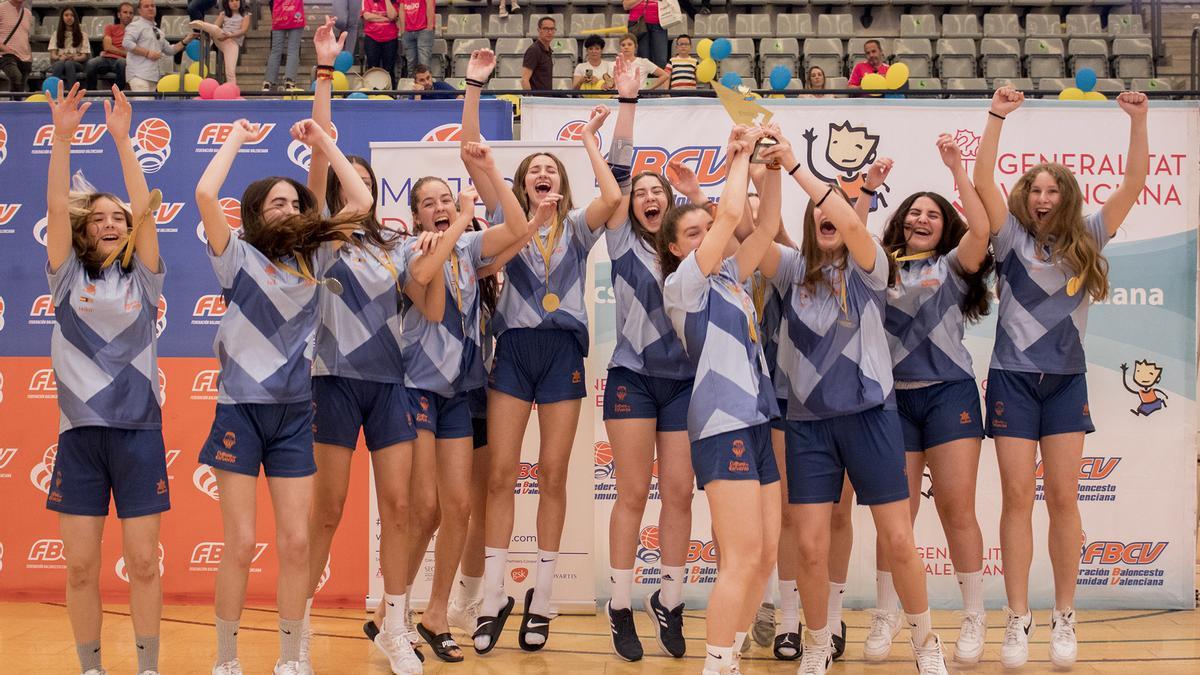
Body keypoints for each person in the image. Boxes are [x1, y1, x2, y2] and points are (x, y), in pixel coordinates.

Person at [758, 131, 950, 674]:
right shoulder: (791, 270)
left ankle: (925, 642)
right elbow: (747, 234)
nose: (834, 218)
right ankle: (817, 644)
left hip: (871, 419)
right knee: (811, 547)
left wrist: (797, 166)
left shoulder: (872, 269)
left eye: (841, 209)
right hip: (807, 427)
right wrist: (765, 169)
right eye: (824, 209)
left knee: (899, 540)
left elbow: (850, 222)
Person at [194, 95, 374, 673]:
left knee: (297, 545)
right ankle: (227, 660)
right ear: (255, 213)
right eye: (277, 201)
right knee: (241, 545)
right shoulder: (236, 257)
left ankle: (292, 659)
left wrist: (322, 143)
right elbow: (203, 195)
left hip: (296, 413)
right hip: (240, 413)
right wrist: (237, 138)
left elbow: (363, 200)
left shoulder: (316, 259)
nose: (289, 207)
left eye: (296, 201)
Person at [972, 86, 1148, 670]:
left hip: (1066, 381)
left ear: (1066, 198)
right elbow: (982, 179)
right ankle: (1017, 617)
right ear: (1025, 195)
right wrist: (997, 116)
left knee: (1065, 498)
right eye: (1035, 189)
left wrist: (1138, 122)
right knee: (1018, 498)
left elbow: (1132, 186)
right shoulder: (1009, 237)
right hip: (1012, 380)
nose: (1042, 198)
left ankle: (1064, 615)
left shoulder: (1088, 235)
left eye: (1053, 190)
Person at [460, 48, 624, 654]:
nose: (543, 175)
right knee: (501, 476)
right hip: (514, 352)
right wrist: (476, 84)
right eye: (535, 169)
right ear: (525, 181)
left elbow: (614, 198)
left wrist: (586, 144)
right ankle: (497, 593)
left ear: (561, 180)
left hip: (562, 355)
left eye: (551, 169)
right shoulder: (508, 219)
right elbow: (471, 151)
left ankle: (545, 596)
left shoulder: (579, 226)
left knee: (552, 474)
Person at [299, 18, 435, 675]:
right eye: (344, 180)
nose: (351, 186)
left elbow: (424, 295)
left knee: (403, 510)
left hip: (391, 384)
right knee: (325, 513)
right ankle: (296, 639)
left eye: (362, 180)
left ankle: (396, 625)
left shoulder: (394, 242)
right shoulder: (319, 238)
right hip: (331, 382)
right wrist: (325, 76)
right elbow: (319, 162)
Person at [43, 82, 166, 675]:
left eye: (120, 218)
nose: (113, 224)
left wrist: (123, 141)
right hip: (80, 439)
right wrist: (63, 139)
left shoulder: (145, 281)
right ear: (84, 231)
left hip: (140, 435)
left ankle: (147, 668)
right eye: (100, 219)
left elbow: (146, 211)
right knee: (81, 568)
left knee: (144, 564)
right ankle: (91, 668)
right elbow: (52, 213)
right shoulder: (65, 280)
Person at [399, 143, 533, 664]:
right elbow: (428, 288)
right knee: (424, 508)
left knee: (458, 507)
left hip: (461, 391)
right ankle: (394, 613)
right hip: (416, 388)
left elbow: (519, 228)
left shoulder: (470, 248)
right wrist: (458, 224)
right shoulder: (409, 250)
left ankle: (434, 614)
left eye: (444, 200)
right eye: (429, 202)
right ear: (415, 216)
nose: (439, 206)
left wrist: (491, 175)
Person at [657, 124, 782, 675]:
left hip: (757, 420)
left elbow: (768, 224)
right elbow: (730, 217)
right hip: (720, 423)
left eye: (707, 229)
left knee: (766, 557)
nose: (707, 234)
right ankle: (717, 664)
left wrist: (773, 167)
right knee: (741, 558)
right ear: (675, 247)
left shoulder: (731, 278)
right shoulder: (682, 286)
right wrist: (738, 158)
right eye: (693, 232)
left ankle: (727, 655)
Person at [870, 136, 993, 665]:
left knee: (956, 508)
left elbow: (984, 229)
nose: (922, 219)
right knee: (895, 516)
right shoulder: (876, 263)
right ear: (900, 220)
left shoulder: (954, 265)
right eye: (914, 212)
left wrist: (957, 169)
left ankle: (973, 615)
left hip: (949, 395)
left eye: (933, 215)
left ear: (945, 228)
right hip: (891, 401)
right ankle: (885, 612)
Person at [600, 63, 694, 665]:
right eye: (641, 191)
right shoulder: (617, 238)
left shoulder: (691, 243)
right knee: (633, 493)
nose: (649, 196)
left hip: (687, 382)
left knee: (680, 494)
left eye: (658, 190)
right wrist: (626, 100)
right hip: (633, 377)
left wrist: (701, 196)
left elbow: (732, 225)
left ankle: (672, 598)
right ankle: (619, 605)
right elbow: (615, 171)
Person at [123, 0, 195, 93]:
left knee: (149, 106)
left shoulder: (158, 31)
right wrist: (148, 53)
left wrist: (186, 40)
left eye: (152, 6)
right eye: (146, 6)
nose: (150, 8)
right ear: (139, 11)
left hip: (153, 77)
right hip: (138, 75)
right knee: (143, 104)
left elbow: (170, 50)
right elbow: (127, 43)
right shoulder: (135, 26)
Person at [190, 0, 249, 87]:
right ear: (227, 3)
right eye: (231, 1)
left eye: (237, 0)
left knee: (230, 71)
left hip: (232, 43)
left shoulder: (246, 15)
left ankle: (232, 90)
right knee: (216, 29)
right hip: (221, 38)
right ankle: (201, 25)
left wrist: (230, 35)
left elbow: (243, 30)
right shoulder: (223, 14)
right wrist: (211, 38)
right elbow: (215, 27)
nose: (235, 3)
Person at [85, 2, 133, 91]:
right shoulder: (110, 27)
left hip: (122, 61)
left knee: (122, 63)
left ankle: (116, 94)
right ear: (119, 15)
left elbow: (133, 52)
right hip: (106, 58)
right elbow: (107, 47)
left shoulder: (136, 32)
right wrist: (125, 53)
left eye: (130, 13)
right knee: (91, 63)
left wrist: (115, 50)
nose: (128, 15)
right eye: (125, 12)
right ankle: (92, 93)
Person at [264, 0, 305, 91]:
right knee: (293, 50)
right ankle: (289, 81)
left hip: (279, 15)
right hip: (295, 14)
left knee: (275, 50)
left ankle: (268, 82)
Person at [49, 7, 91, 90]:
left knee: (69, 64)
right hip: (60, 61)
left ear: (75, 18)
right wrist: (60, 57)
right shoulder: (56, 34)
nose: (69, 17)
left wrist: (74, 58)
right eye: (66, 15)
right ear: (62, 17)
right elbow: (53, 55)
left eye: (72, 15)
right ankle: (53, 91)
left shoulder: (83, 34)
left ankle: (72, 93)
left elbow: (84, 56)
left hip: (77, 63)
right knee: (60, 63)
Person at [361, 0, 399, 82]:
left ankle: (390, 94)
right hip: (372, 38)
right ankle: (373, 93)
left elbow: (392, 16)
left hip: (390, 38)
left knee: (389, 70)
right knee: (373, 69)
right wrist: (386, 19)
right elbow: (367, 16)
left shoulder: (394, 1)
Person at [0, 0, 33, 93]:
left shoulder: (27, 13)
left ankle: (15, 105)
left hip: (24, 57)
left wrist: (30, 55)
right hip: (5, 54)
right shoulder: (1, 8)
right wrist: (3, 48)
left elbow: (25, 36)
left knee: (20, 89)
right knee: (15, 76)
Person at [624, 0, 667, 67]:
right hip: (639, 24)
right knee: (643, 58)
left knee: (661, 59)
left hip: (660, 23)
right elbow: (626, 6)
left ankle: (660, 76)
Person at [401, 0, 435, 77]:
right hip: (408, 31)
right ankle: (413, 87)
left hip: (423, 30)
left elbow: (430, 5)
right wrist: (403, 30)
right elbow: (401, 10)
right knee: (410, 64)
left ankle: (426, 87)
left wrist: (429, 27)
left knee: (424, 64)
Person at [521, 16, 554, 91]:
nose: (550, 32)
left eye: (552, 29)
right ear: (539, 30)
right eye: (546, 29)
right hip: (537, 100)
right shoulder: (534, 50)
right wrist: (531, 100)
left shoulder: (548, 50)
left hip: (545, 98)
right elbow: (524, 80)